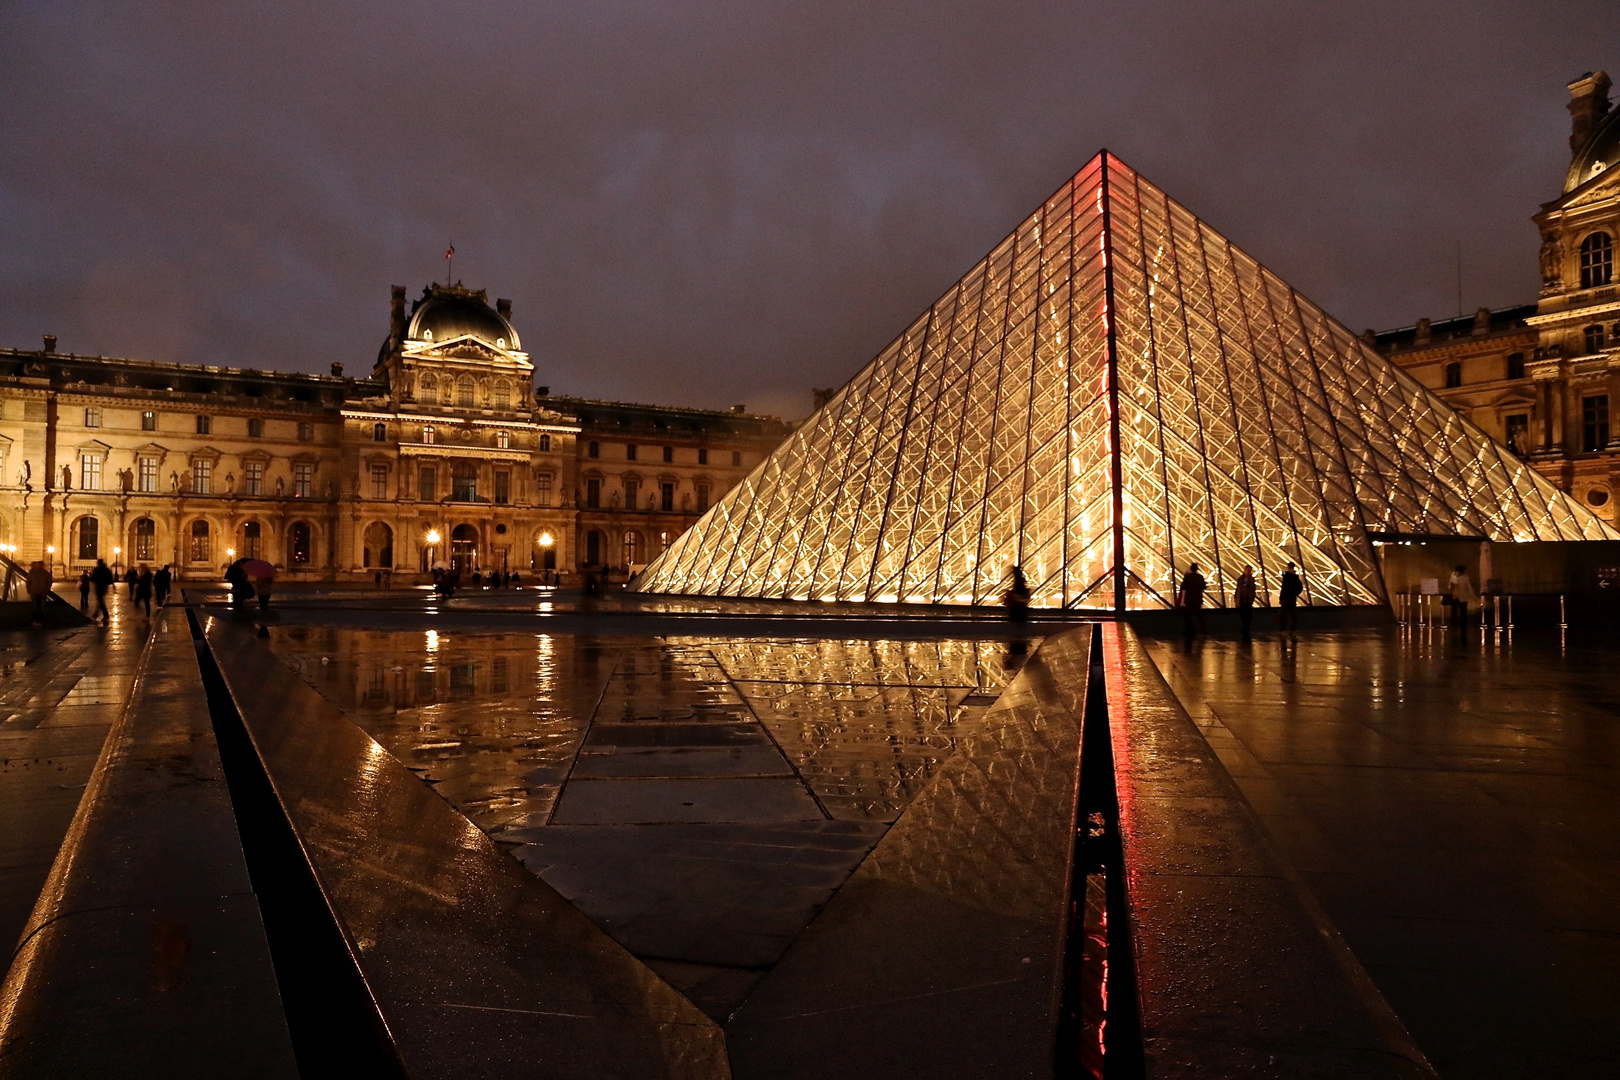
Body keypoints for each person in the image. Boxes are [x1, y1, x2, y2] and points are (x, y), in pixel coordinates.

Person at [1176, 563, 1207, 637]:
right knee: (1198, 615)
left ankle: (1190, 629)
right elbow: (1204, 586)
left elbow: (1183, 587)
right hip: (1198, 598)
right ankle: (1202, 629)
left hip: (1189, 599)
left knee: (1188, 615)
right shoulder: (1200, 577)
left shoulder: (1188, 577)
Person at [1279, 561, 1303, 632]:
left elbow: (1284, 588)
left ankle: (1283, 630)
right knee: (1293, 616)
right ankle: (1293, 630)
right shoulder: (1296, 577)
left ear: (1288, 566)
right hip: (1292, 599)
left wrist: (1281, 598)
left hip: (1286, 598)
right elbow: (1300, 588)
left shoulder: (1286, 577)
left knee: (1284, 615)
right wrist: (1294, 594)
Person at [25, 560, 52, 625]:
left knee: (41, 607)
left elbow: (49, 582)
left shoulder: (44, 573)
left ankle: (40, 620)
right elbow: (28, 582)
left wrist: (46, 590)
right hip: (35, 592)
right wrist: (29, 590)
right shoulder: (33, 573)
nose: (37, 566)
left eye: (38, 565)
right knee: (36, 607)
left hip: (41, 592)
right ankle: (37, 620)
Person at [1234, 564, 1257, 637]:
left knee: (1247, 615)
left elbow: (1252, 590)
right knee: (1244, 615)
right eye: (1247, 570)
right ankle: (1245, 628)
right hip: (1242, 599)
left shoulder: (1249, 579)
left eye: (1249, 570)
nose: (1248, 572)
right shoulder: (1241, 579)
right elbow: (1238, 589)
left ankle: (1246, 628)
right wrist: (1237, 599)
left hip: (1247, 600)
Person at [90, 558, 114, 626]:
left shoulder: (97, 569)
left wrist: (93, 583)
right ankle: (96, 613)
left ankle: (105, 614)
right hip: (104, 587)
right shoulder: (106, 569)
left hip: (98, 586)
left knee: (100, 600)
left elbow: (93, 578)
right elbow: (110, 578)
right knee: (100, 600)